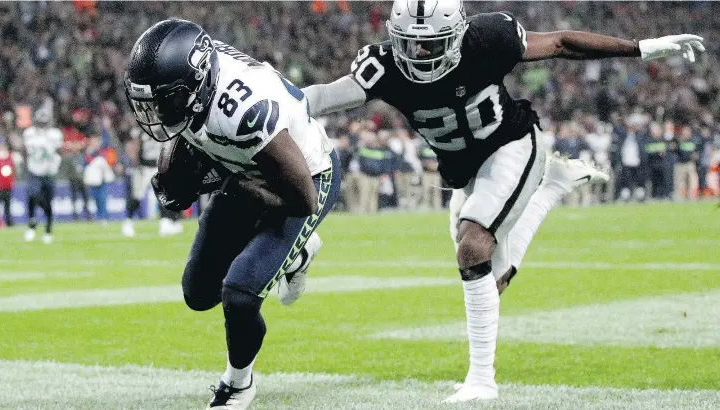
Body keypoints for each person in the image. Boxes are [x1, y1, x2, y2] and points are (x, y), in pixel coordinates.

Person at [302, 0, 704, 402]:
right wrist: (268, 102)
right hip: (464, 172)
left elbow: (563, 42)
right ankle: (550, 190)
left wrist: (641, 47)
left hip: (511, 145)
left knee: (473, 243)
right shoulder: (383, 65)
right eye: (410, 44)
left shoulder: (488, 38)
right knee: (489, 279)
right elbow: (320, 97)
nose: (420, 54)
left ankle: (481, 381)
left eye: (432, 43)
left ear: (457, 36)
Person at [124, 19, 340, 409]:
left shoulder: (243, 110)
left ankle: (239, 384)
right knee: (198, 292)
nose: (156, 112)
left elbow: (302, 200)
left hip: (306, 178)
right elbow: (186, 132)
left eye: (165, 101)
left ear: (196, 87)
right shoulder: (194, 79)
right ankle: (297, 252)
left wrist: (239, 186)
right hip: (245, 167)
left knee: (239, 294)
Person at [23, 109, 63, 243]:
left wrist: (55, 164)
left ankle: (48, 229)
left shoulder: (54, 134)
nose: (42, 124)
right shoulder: (29, 134)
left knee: (48, 201)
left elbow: (59, 151)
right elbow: (25, 150)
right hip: (34, 170)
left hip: (49, 172)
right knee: (33, 195)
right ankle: (32, 223)